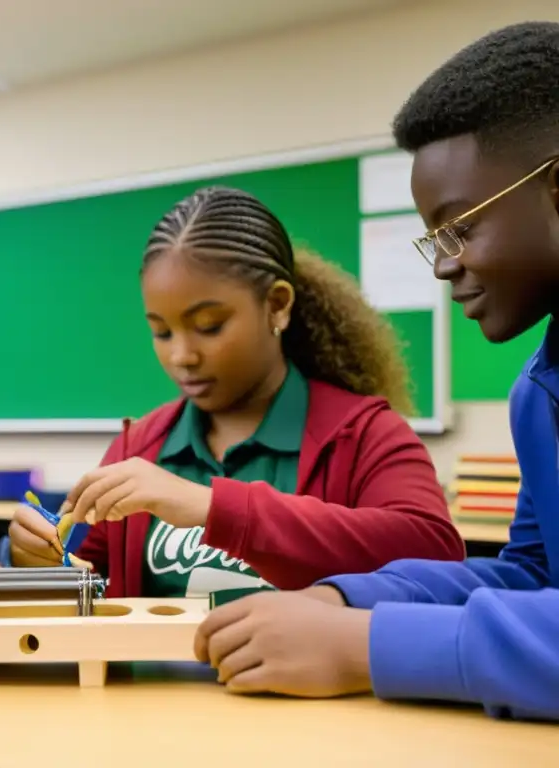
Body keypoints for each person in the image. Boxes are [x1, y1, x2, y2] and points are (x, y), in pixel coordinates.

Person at [193, 22, 559, 722]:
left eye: (461, 228)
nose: (445, 265)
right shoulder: (537, 394)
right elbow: (532, 579)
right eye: (433, 240)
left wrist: (367, 644)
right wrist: (347, 597)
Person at [9, 184, 465, 602]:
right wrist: (43, 562)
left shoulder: (363, 433)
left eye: (209, 327)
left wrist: (215, 508)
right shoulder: (139, 447)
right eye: (162, 332)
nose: (182, 356)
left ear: (277, 306)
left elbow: (435, 551)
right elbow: (92, 584)